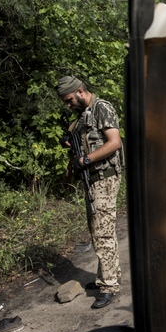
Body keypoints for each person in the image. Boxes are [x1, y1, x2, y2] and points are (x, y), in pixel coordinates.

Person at [56, 75, 123, 309]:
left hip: (105, 178)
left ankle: (110, 284)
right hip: (92, 179)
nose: (68, 104)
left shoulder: (101, 108)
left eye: (69, 100)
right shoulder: (82, 117)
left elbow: (115, 142)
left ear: (80, 91)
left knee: (103, 233)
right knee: (97, 230)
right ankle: (105, 275)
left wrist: (85, 159)